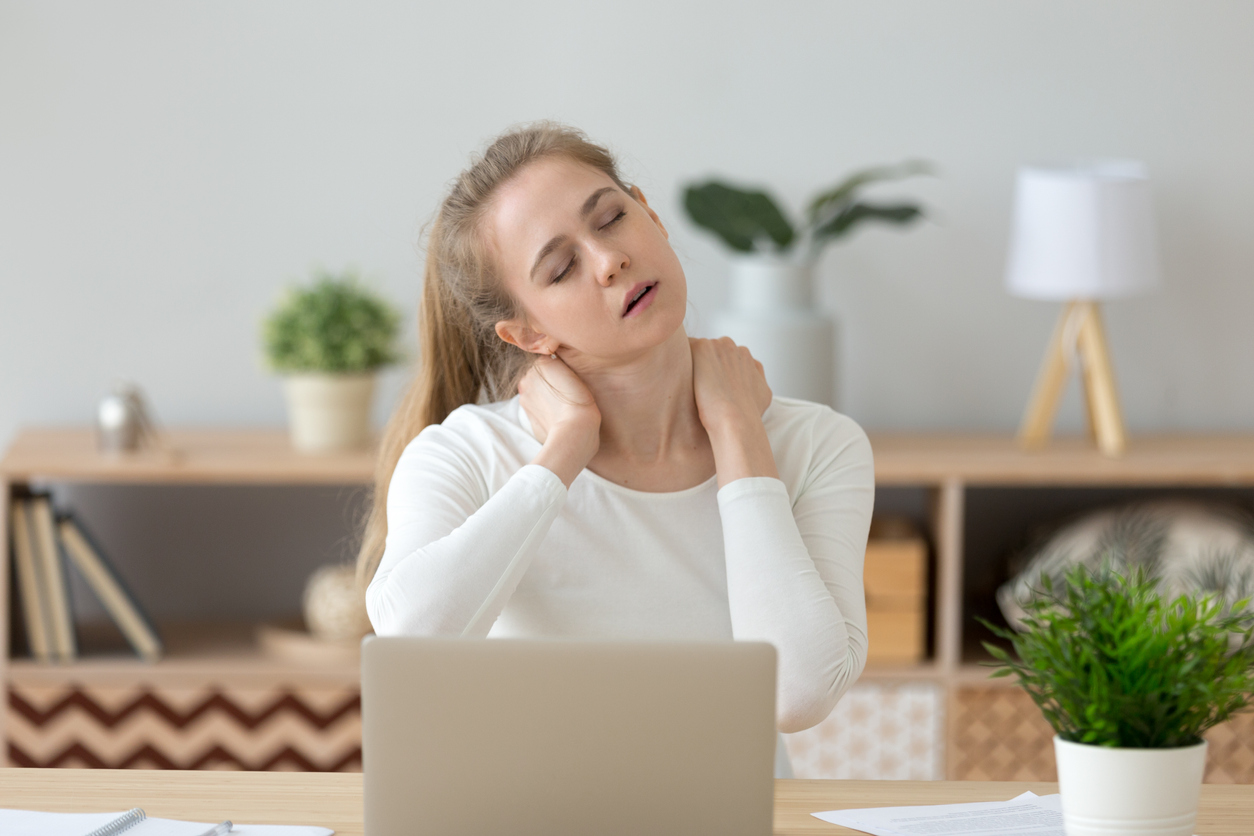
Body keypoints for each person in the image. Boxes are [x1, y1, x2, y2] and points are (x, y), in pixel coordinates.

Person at [356, 123, 874, 776]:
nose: (609, 261)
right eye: (562, 268)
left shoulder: (818, 445)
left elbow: (798, 692)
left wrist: (738, 434)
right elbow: (409, 646)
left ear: (650, 215)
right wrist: (564, 454)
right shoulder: (465, 454)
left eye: (611, 219)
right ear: (527, 332)